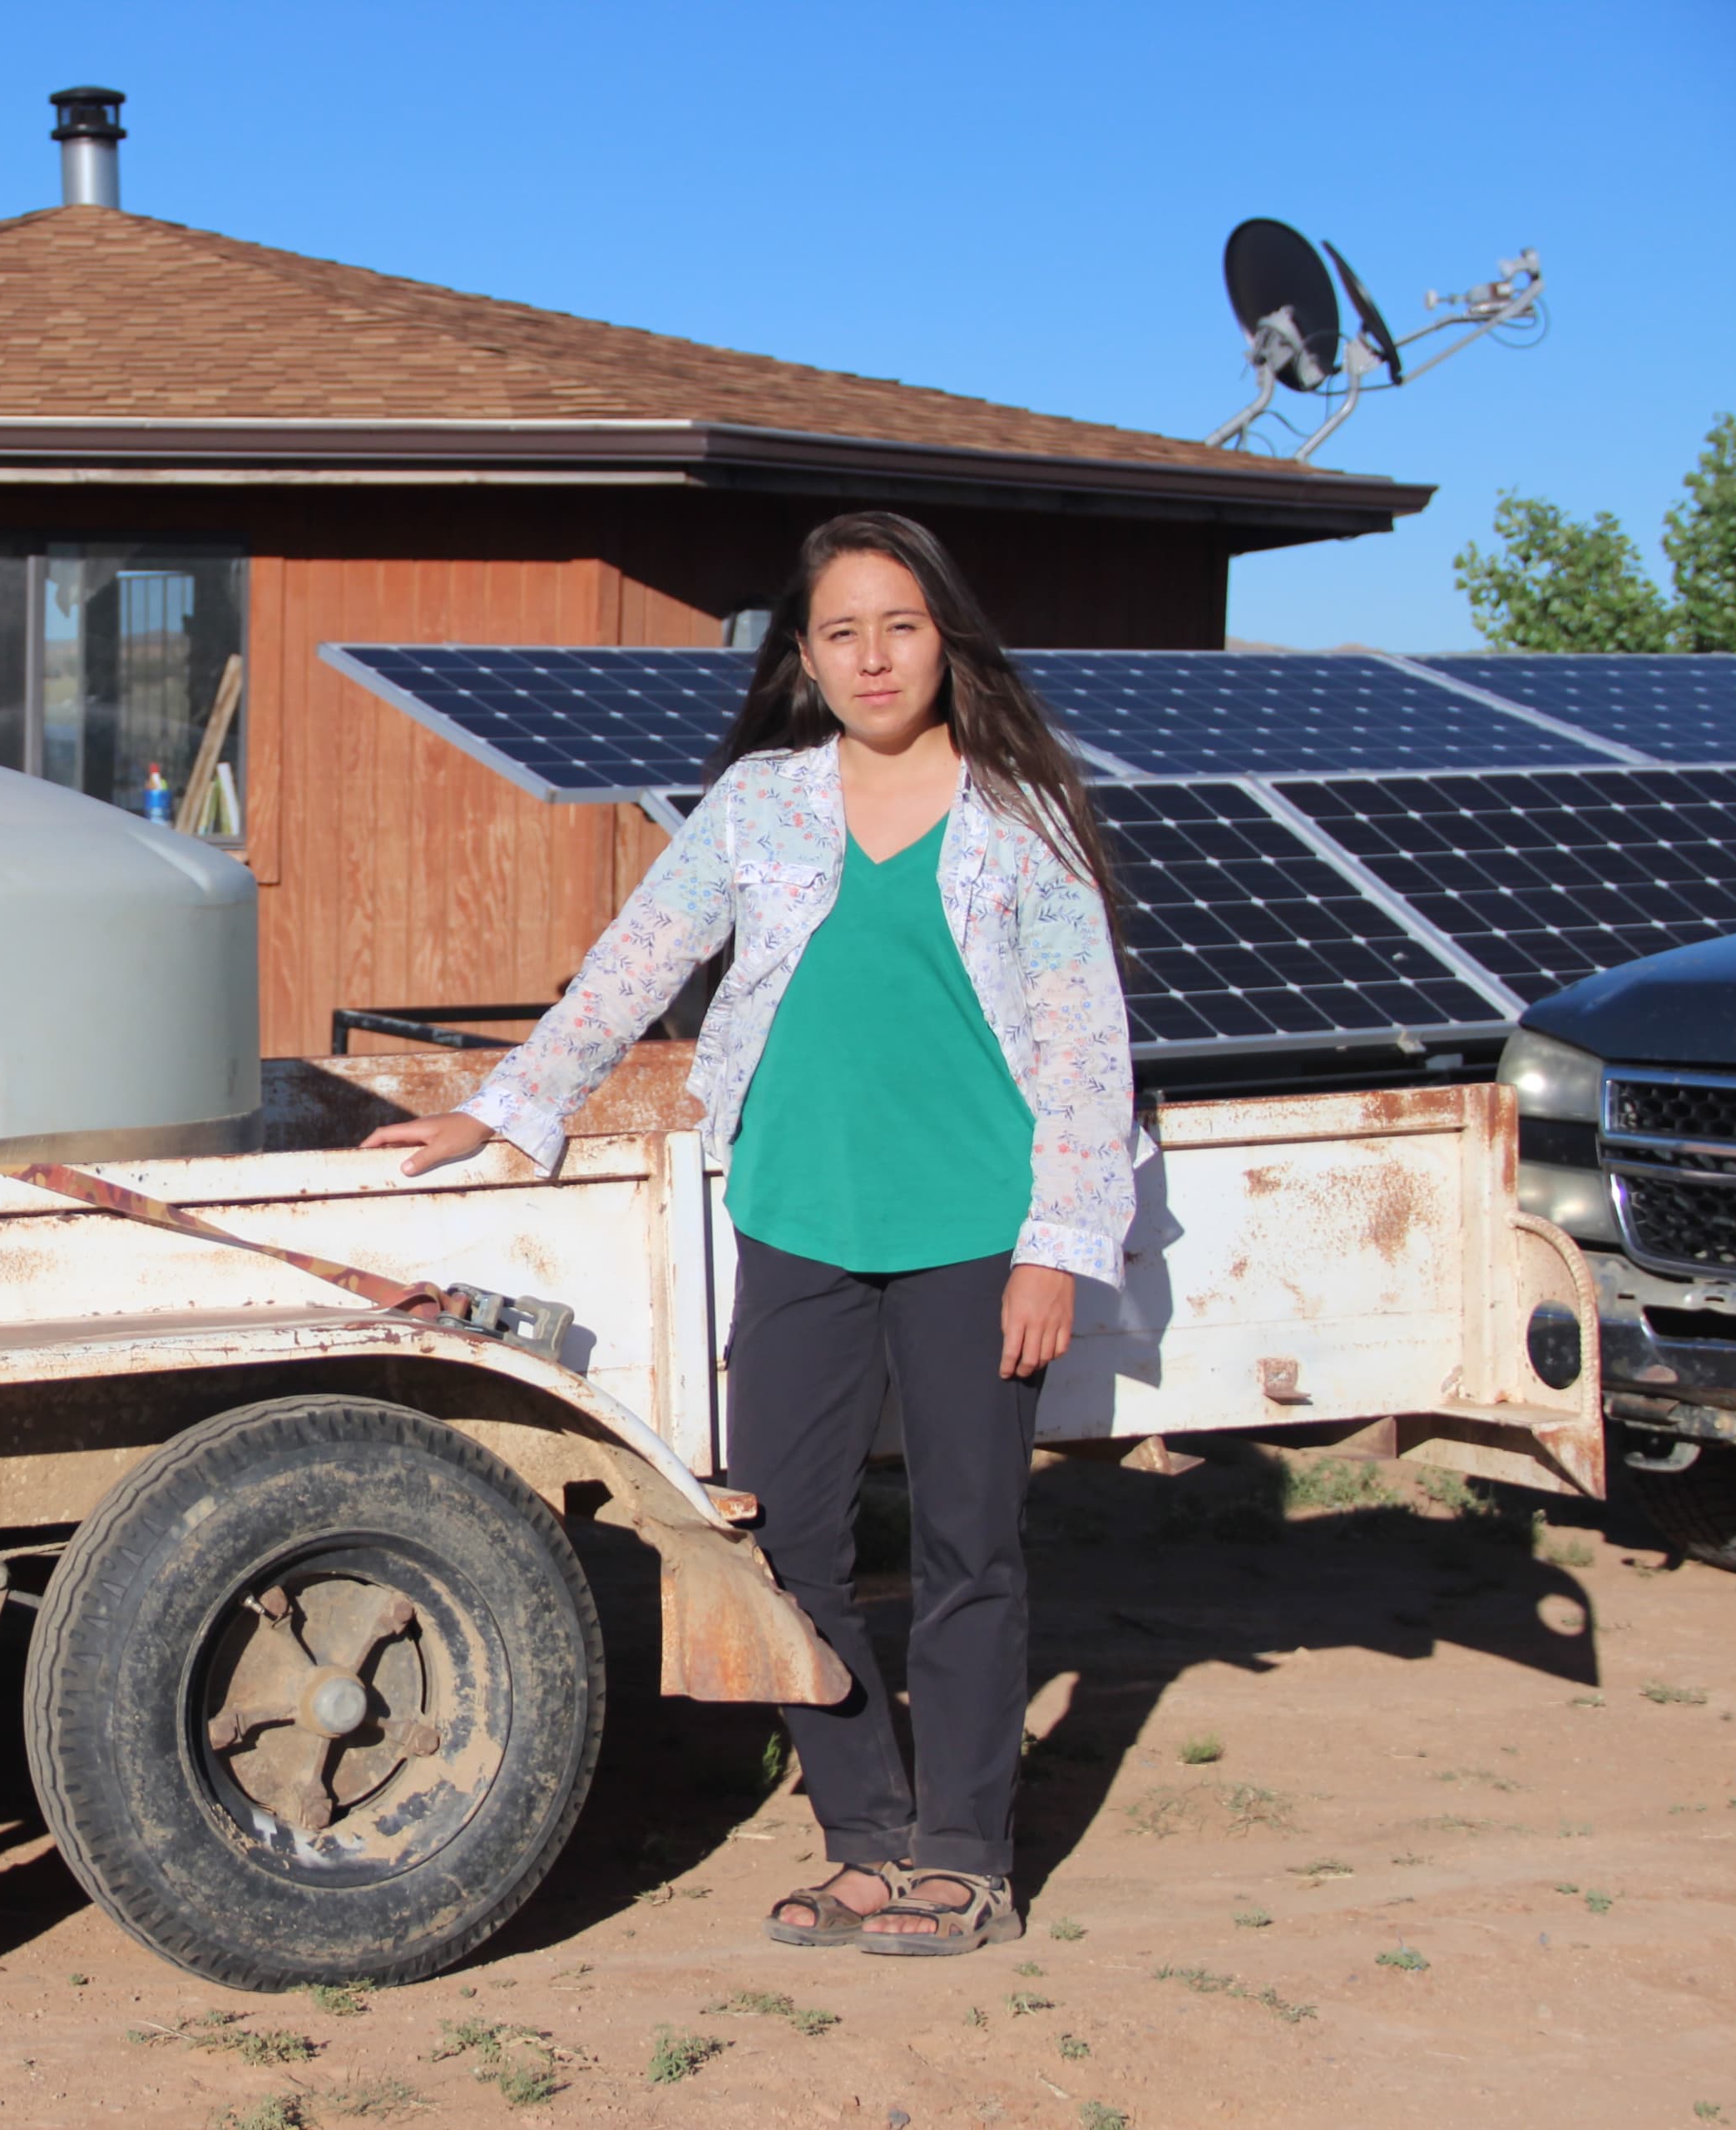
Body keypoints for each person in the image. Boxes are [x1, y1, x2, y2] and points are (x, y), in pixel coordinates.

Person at [364, 511, 1140, 1956]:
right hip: (797, 1219)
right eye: (840, 632)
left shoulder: (1021, 817)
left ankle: (964, 1855)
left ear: (944, 637)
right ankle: (863, 1837)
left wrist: (1059, 1242)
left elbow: (1087, 1044)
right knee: (786, 1539)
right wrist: (500, 1107)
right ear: (806, 656)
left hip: (978, 1230)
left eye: (898, 625)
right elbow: (633, 964)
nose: (872, 656)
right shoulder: (760, 806)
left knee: (974, 1548)